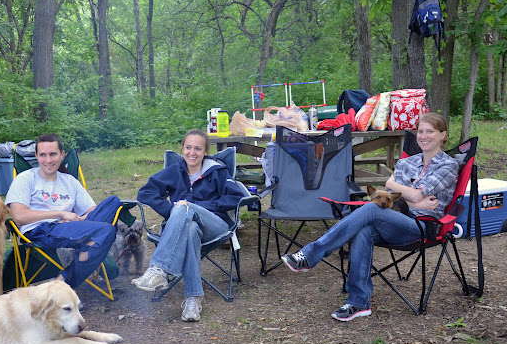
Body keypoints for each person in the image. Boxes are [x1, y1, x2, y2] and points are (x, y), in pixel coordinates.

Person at [280, 113, 459, 322]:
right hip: (395, 219)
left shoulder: (448, 165)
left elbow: (404, 192)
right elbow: (392, 189)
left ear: (443, 135)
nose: (424, 136)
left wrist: (411, 197)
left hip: (423, 228)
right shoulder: (407, 162)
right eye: (420, 131)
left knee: (373, 208)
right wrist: (416, 201)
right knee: (365, 229)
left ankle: (310, 255)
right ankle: (358, 302)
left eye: (430, 131)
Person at [133, 129, 245, 322]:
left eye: (198, 149)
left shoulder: (218, 171)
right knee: (190, 229)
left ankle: (159, 269)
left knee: (184, 208)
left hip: (215, 225)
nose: (192, 153)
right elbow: (145, 193)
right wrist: (170, 209)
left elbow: (236, 196)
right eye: (188, 147)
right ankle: (193, 298)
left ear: (205, 152)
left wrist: (196, 207)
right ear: (182, 149)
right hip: (184, 228)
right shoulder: (175, 171)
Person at [5, 133, 122, 288]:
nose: (48, 160)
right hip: (41, 231)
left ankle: (69, 270)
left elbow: (93, 211)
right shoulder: (26, 179)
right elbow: (19, 216)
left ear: (61, 155)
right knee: (107, 231)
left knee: (113, 202)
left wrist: (78, 220)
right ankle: (65, 280)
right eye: (43, 155)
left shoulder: (69, 181)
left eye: (53, 154)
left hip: (71, 229)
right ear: (36, 156)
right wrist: (60, 214)